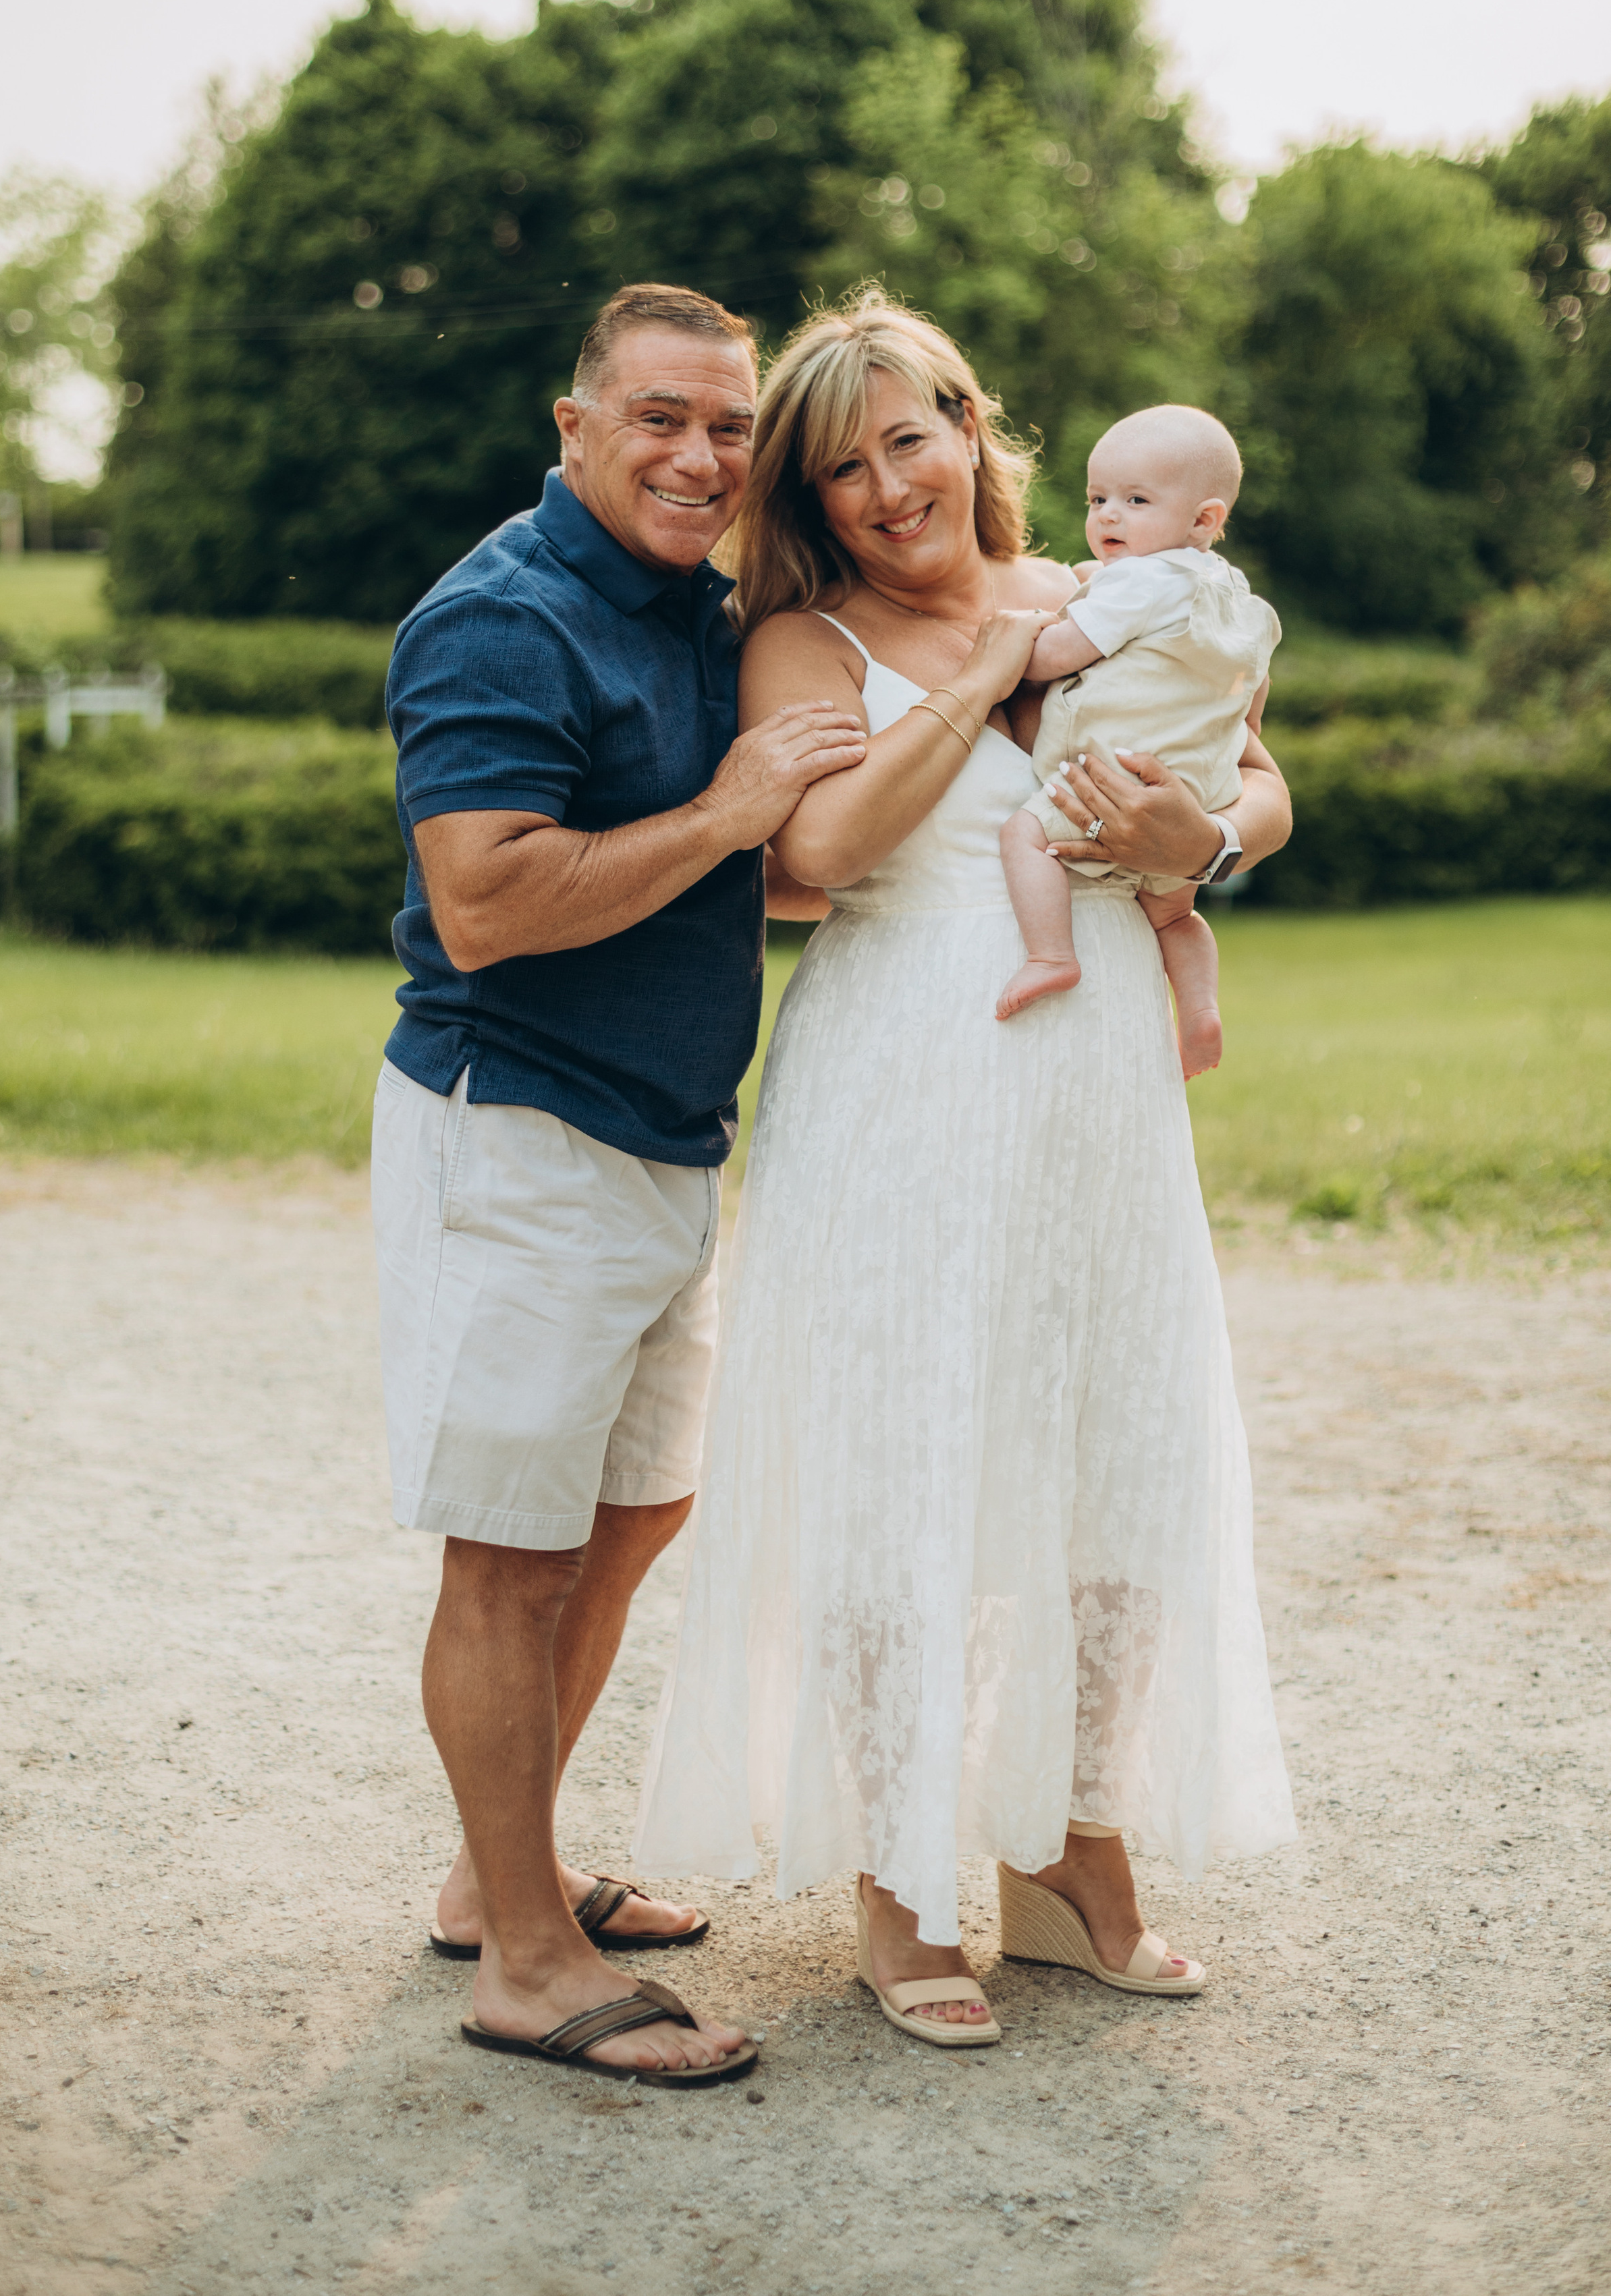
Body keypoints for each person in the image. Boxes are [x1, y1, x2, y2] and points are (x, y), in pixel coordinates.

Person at [634, 291, 1298, 2050]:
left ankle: (1072, 1852)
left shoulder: (1101, 585)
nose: (885, 487)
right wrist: (991, 677)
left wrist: (1206, 838)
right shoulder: (801, 640)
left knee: (1115, 1456)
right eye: (839, 470)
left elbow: (1253, 767)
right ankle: (903, 1873)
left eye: (906, 440)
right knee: (896, 1462)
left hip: (1098, 1084)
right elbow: (830, 845)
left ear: (967, 427)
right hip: (901, 1080)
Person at [372, 282, 865, 2085]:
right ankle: (523, 1959)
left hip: (662, 1141)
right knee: (510, 1556)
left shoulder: (702, 613)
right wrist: (731, 811)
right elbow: (489, 901)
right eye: (660, 417)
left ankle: (494, 1874)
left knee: (634, 1512)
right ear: (574, 426)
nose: (701, 455)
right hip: (518, 1134)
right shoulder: (498, 620)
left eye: (730, 425)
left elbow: (756, 867)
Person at [996, 403, 1280, 1077]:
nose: (1108, 517)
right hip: (1199, 792)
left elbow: (1058, 654)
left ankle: (1050, 955)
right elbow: (1252, 701)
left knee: (1023, 837)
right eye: (1097, 499)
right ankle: (1201, 1011)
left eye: (1135, 500)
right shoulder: (1240, 598)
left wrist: (1016, 642)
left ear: (1204, 520)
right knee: (1173, 914)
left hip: (1112, 782)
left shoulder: (1139, 582)